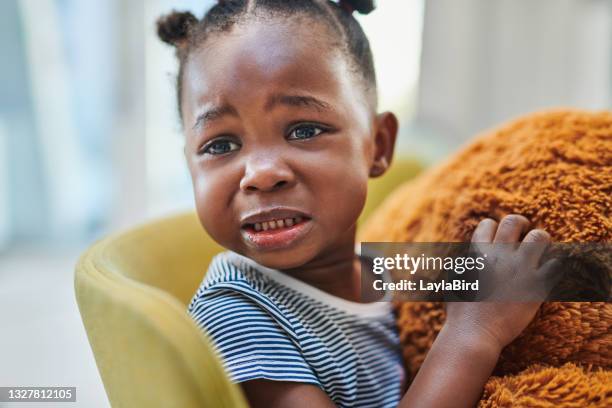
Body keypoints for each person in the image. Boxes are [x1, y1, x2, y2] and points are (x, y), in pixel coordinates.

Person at [156, 1, 553, 406]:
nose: (260, 173)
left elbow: (550, 275)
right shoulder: (237, 313)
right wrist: (473, 335)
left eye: (303, 130)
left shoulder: (378, 268)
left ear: (377, 146)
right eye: (220, 144)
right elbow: (477, 318)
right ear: (189, 163)